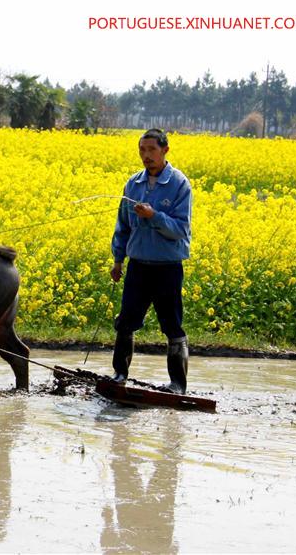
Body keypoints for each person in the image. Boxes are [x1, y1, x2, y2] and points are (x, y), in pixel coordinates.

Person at [110, 128, 192, 394]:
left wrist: (154, 215)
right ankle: (119, 374)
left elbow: (181, 229)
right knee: (126, 322)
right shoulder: (133, 184)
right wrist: (118, 260)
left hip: (167, 268)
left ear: (165, 150)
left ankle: (178, 385)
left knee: (172, 324)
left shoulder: (180, 184)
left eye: (151, 150)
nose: (146, 156)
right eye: (142, 150)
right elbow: (123, 226)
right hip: (138, 267)